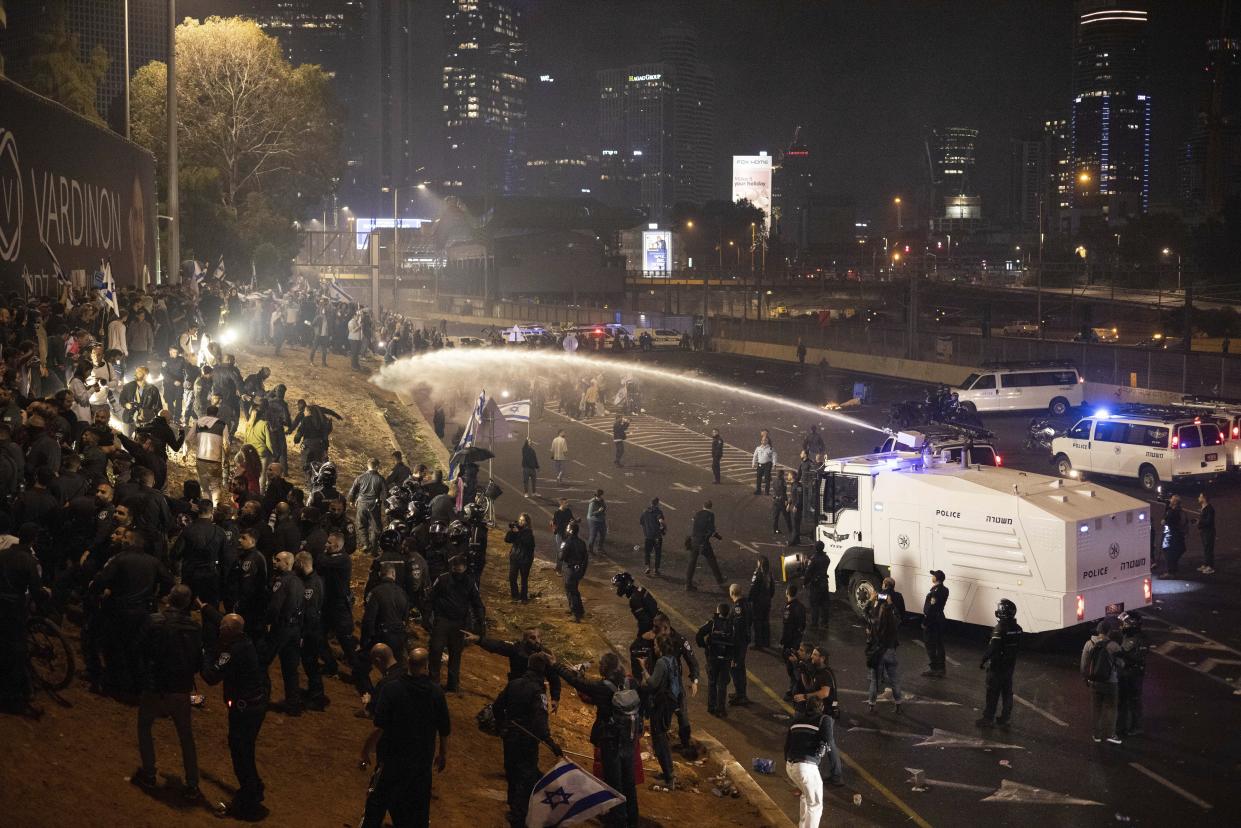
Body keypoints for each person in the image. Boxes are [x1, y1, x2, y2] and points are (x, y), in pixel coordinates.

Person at [359, 648, 450, 828]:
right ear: (426, 666)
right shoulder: (436, 692)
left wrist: (366, 750)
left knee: (377, 803)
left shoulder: (391, 689)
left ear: (407, 662)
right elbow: (444, 728)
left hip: (392, 760)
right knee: (418, 809)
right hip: (421, 763)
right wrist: (442, 754)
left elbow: (380, 728)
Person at [551, 652, 641, 828]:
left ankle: (618, 823)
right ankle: (633, 821)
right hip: (629, 740)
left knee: (615, 786)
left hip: (611, 741)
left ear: (604, 668)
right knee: (629, 784)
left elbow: (577, 683)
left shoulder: (603, 687)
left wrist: (556, 664)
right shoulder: (631, 682)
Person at [133, 585, 202, 801]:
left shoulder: (155, 621)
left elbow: (139, 648)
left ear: (169, 599)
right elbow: (198, 661)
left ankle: (150, 773)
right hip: (181, 689)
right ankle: (192, 784)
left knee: (145, 726)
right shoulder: (195, 627)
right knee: (186, 736)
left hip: (156, 686)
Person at [200, 609, 268, 820]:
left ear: (229, 631)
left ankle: (249, 800)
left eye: (222, 628)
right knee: (245, 750)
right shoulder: (244, 642)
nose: (219, 631)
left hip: (244, 710)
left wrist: (206, 654)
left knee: (241, 753)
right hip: (254, 706)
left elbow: (211, 676)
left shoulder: (234, 651)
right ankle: (254, 788)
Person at [494, 652, 563, 825]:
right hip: (527, 741)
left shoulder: (514, 684)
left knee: (512, 772)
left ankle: (513, 808)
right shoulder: (538, 692)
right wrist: (551, 743)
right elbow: (540, 722)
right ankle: (519, 816)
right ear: (544, 671)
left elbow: (497, 706)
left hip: (510, 736)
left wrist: (503, 725)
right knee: (526, 777)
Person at [465, 628, 562, 712]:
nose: (537, 641)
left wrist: (555, 698)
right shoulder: (517, 649)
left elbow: (554, 677)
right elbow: (498, 646)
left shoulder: (546, 655)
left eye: (538, 637)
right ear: (524, 640)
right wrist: (478, 639)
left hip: (536, 691)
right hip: (516, 689)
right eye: (532, 638)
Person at [0, 530, 43, 714]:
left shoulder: (3, 554)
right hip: (15, 607)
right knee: (17, 650)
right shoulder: (29, 560)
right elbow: (35, 589)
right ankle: (13, 698)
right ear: (33, 540)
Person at [427, 555, 485, 692]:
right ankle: (433, 683)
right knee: (435, 651)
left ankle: (453, 685)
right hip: (442, 620)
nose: (457, 569)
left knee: (455, 654)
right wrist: (426, 616)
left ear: (465, 568)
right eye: (455, 566)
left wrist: (480, 622)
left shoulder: (470, 582)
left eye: (460, 567)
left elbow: (477, 603)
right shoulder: (442, 579)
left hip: (459, 624)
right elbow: (430, 598)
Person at [792, 646, 843, 787]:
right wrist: (801, 671)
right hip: (819, 712)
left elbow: (825, 693)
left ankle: (837, 776)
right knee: (822, 741)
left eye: (815, 655)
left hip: (827, 714)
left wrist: (805, 697)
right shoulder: (816, 671)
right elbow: (809, 686)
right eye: (812, 654)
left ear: (822, 658)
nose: (812, 657)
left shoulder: (826, 673)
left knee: (829, 743)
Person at [638, 635, 679, 789]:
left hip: (661, 706)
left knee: (659, 740)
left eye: (655, 645)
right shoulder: (672, 659)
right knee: (662, 738)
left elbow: (653, 683)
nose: (653, 647)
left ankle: (669, 778)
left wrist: (643, 668)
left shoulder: (662, 662)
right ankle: (668, 773)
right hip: (669, 703)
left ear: (660, 648)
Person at [976, 598, 1022, 728]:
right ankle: (1005, 718)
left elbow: (993, 648)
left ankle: (988, 718)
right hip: (1009, 666)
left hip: (997, 667)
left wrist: (983, 660)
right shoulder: (1018, 629)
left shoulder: (999, 628)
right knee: (1007, 693)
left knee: (992, 693)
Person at [784, 696, 829, 828]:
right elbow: (828, 740)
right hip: (805, 767)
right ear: (821, 708)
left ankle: (802, 826)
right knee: (815, 804)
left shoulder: (795, 721)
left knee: (805, 795)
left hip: (790, 766)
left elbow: (787, 746)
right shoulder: (823, 719)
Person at [1081, 622, 1125, 744]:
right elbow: (1121, 664)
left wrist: (1086, 678)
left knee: (1096, 708)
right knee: (1111, 708)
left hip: (1094, 681)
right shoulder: (1113, 646)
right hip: (1111, 682)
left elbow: (1084, 664)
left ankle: (1097, 735)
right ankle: (1110, 734)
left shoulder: (1089, 644)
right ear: (1109, 631)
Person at [864, 592, 902, 714]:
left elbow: (865, 612)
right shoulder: (894, 622)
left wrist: (871, 600)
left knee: (874, 681)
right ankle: (898, 705)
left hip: (878, 653)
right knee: (894, 681)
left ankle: (871, 705)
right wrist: (890, 604)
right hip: (890, 652)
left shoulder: (873, 621)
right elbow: (898, 616)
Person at [695, 602, 734, 718]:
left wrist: (704, 646)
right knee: (722, 684)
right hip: (725, 659)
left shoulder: (712, 624)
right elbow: (737, 642)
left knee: (712, 682)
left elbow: (699, 635)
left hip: (713, 658)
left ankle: (711, 706)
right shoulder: (732, 625)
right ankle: (720, 709)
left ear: (718, 612)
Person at [187, 405, 229, 504]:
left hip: (200, 458)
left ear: (206, 412)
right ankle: (215, 508)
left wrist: (186, 453)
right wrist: (226, 458)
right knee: (215, 485)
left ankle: (206, 508)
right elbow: (226, 444)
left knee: (204, 486)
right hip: (215, 460)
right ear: (217, 414)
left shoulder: (198, 423)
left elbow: (188, 439)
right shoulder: (222, 425)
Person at [349, 458, 388, 557]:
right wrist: (386, 506)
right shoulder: (380, 479)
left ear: (368, 466)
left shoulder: (360, 477)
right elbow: (385, 494)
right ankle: (374, 549)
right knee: (376, 527)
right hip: (374, 505)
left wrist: (351, 500)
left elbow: (353, 490)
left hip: (361, 504)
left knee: (361, 525)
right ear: (377, 466)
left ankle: (366, 544)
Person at [1116, 611, 1147, 738]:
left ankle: (1136, 727)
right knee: (1122, 701)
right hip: (1124, 674)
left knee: (1134, 701)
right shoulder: (1126, 637)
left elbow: (1137, 658)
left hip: (1133, 675)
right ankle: (1121, 727)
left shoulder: (1140, 640)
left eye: (1124, 624)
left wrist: (1122, 654)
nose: (1121, 626)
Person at [685, 500, 725, 591]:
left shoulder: (698, 513)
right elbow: (711, 530)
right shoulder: (710, 515)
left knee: (692, 562)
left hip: (694, 540)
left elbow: (694, 521)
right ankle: (719, 580)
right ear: (711, 507)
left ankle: (688, 583)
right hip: (703, 542)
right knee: (712, 560)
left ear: (703, 506)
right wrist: (718, 536)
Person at [556, 521, 588, 622]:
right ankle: (580, 610)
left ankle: (576, 614)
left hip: (569, 570)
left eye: (567, 528)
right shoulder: (582, 543)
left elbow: (561, 557)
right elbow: (585, 559)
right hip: (578, 570)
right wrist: (582, 571)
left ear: (570, 530)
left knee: (571, 591)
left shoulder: (567, 542)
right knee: (574, 590)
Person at [727, 584, 753, 706]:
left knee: (736, 668)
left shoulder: (738, 607)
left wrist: (732, 645)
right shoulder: (747, 603)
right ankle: (740, 693)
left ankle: (741, 695)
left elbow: (737, 628)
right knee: (740, 667)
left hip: (738, 643)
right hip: (744, 640)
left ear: (732, 593)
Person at [781, 585, 808, 700]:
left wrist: (783, 642)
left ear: (787, 593)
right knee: (796, 666)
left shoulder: (789, 608)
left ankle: (794, 690)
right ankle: (794, 688)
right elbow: (803, 624)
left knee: (792, 668)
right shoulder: (801, 607)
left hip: (790, 642)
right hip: (798, 640)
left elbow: (787, 628)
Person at [921, 570, 949, 678]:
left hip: (933, 621)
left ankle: (935, 668)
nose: (931, 577)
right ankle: (941, 668)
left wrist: (925, 622)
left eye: (933, 576)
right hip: (940, 618)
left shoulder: (935, 592)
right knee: (939, 644)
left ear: (936, 578)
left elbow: (931, 609)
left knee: (930, 645)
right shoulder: (945, 589)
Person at [505, 514, 536, 602]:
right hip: (515, 557)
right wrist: (511, 531)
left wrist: (517, 532)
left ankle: (523, 597)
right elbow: (507, 539)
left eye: (523, 520)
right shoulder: (517, 530)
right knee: (512, 577)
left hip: (525, 559)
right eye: (520, 520)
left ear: (527, 522)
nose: (521, 522)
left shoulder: (528, 532)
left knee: (524, 579)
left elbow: (527, 543)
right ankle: (515, 595)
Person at [749, 556, 776, 649]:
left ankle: (758, 643)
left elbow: (753, 588)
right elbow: (772, 589)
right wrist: (768, 597)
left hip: (758, 602)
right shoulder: (770, 574)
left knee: (757, 622)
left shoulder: (757, 574)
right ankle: (766, 642)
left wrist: (750, 599)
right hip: (767, 601)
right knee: (765, 621)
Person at [802, 542, 830, 630]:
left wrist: (805, 582)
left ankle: (814, 622)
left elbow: (808, 572)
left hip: (816, 584)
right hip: (824, 582)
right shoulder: (826, 558)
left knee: (814, 604)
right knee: (825, 603)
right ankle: (824, 622)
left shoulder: (813, 559)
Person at [1160, 494, 1186, 578]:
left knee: (1168, 553)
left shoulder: (1172, 512)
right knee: (1173, 553)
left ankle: (1170, 572)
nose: (1169, 500)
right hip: (1177, 536)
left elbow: (1166, 520)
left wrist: (1164, 521)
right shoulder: (1179, 511)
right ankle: (1173, 570)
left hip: (1171, 535)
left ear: (1174, 502)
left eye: (1171, 499)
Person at [639, 497, 666, 576]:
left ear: (651, 503)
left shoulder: (645, 512)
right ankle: (656, 570)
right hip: (657, 536)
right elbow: (661, 521)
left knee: (647, 552)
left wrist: (646, 530)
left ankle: (648, 567)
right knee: (657, 553)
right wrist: (663, 528)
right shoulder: (658, 512)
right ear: (657, 503)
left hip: (648, 536)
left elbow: (641, 523)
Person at [1196, 491, 1215, 574]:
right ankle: (1206, 564)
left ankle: (1210, 567)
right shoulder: (1204, 508)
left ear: (1204, 498)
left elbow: (1209, 522)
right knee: (1205, 549)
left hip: (1209, 532)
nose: (1198, 498)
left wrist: (1199, 522)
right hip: (1204, 532)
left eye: (1200, 497)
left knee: (1208, 549)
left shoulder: (1210, 509)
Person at [586, 489, 608, 554]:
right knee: (593, 535)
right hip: (593, 521)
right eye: (599, 496)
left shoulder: (602, 500)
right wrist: (599, 511)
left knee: (603, 534)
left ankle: (600, 548)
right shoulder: (593, 503)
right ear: (596, 496)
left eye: (601, 495)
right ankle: (590, 549)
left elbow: (604, 507)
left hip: (601, 520)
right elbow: (591, 514)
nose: (600, 497)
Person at [771, 470, 792, 538]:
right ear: (782, 475)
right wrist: (786, 500)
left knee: (775, 516)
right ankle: (790, 529)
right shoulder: (783, 482)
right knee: (787, 516)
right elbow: (783, 492)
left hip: (775, 500)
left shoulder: (774, 481)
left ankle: (775, 529)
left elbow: (773, 490)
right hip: (782, 501)